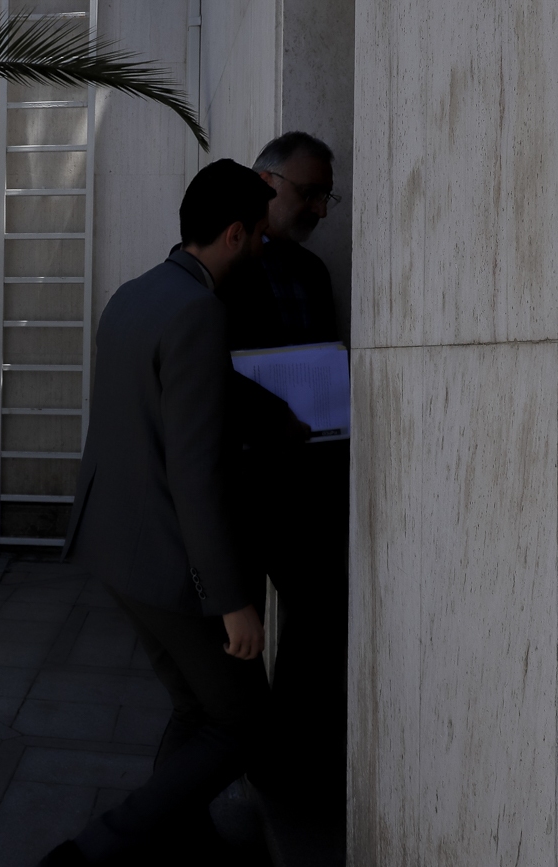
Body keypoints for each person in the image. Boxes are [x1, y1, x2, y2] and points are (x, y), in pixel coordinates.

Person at [40, 160, 277, 866]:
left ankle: (178, 837)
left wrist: (279, 416)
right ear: (234, 234)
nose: (264, 248)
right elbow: (195, 474)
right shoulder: (201, 311)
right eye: (260, 236)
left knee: (197, 709)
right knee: (243, 722)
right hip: (172, 565)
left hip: (115, 549)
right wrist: (232, 601)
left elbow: (188, 389)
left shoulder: (135, 294)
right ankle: (93, 852)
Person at [220, 131, 349, 815]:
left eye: (328, 196)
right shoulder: (221, 263)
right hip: (240, 481)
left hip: (306, 480)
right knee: (231, 643)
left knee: (319, 614)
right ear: (266, 183)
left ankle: (287, 764)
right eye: (310, 193)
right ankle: (234, 765)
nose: (321, 209)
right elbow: (205, 372)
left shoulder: (313, 272)